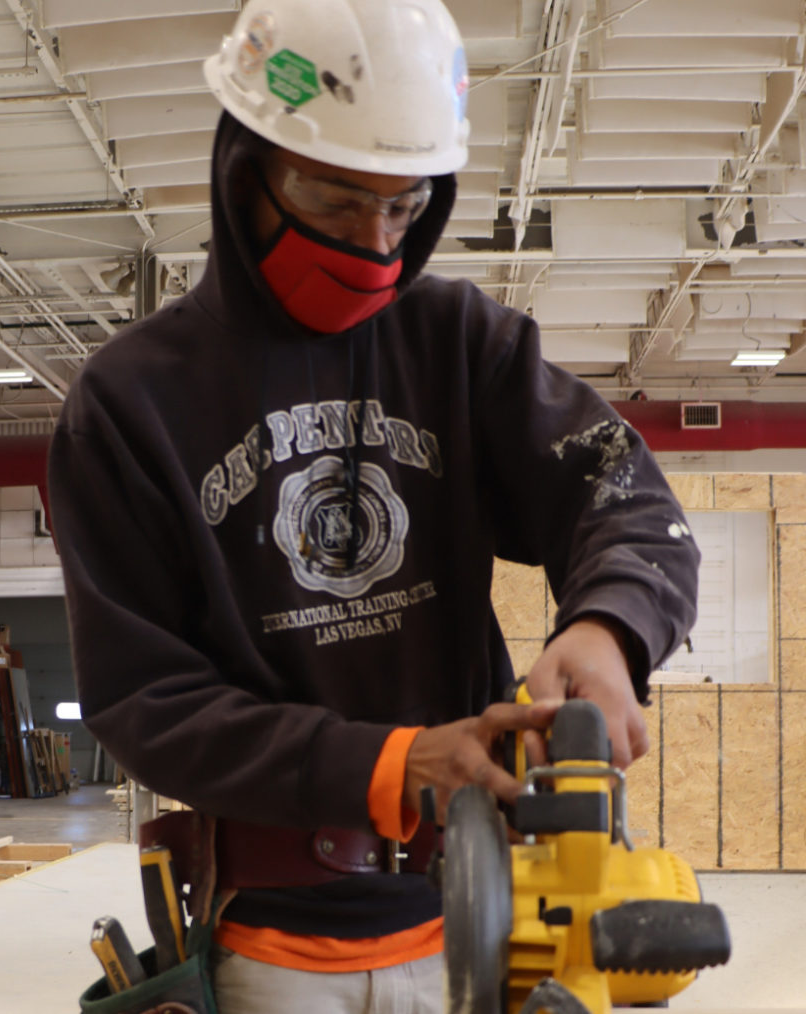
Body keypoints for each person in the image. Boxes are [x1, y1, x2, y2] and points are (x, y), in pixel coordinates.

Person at [47, 0, 700, 1009]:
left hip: (481, 920)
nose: (374, 241)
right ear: (243, 165)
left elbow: (620, 492)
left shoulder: (458, 344)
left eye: (404, 206)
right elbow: (145, 703)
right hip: (268, 946)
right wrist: (389, 764)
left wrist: (613, 626)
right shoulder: (131, 405)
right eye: (334, 197)